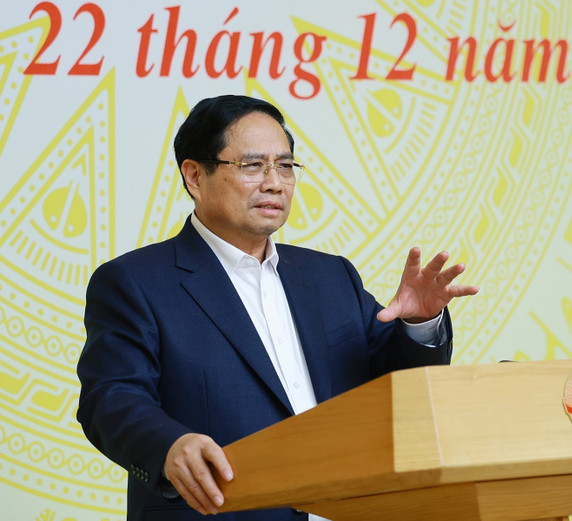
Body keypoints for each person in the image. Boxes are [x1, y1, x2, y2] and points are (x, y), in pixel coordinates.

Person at [76, 95, 478, 521]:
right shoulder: (136, 283)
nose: (275, 183)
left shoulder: (330, 276)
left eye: (285, 166)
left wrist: (420, 322)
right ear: (194, 176)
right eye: (253, 166)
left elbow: (397, 387)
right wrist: (169, 446)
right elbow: (110, 397)